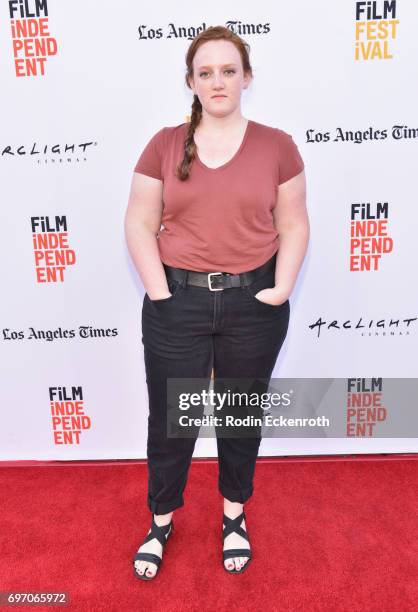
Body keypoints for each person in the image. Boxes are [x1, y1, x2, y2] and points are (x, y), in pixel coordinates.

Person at [125, 25, 309, 580]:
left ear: (246, 78)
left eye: (229, 70)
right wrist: (159, 291)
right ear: (191, 82)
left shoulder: (277, 145)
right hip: (176, 303)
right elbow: (138, 221)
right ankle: (162, 519)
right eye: (205, 72)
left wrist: (280, 289)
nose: (218, 81)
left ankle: (234, 514)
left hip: (254, 303)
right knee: (172, 422)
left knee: (237, 415)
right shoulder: (163, 143)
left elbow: (294, 222)